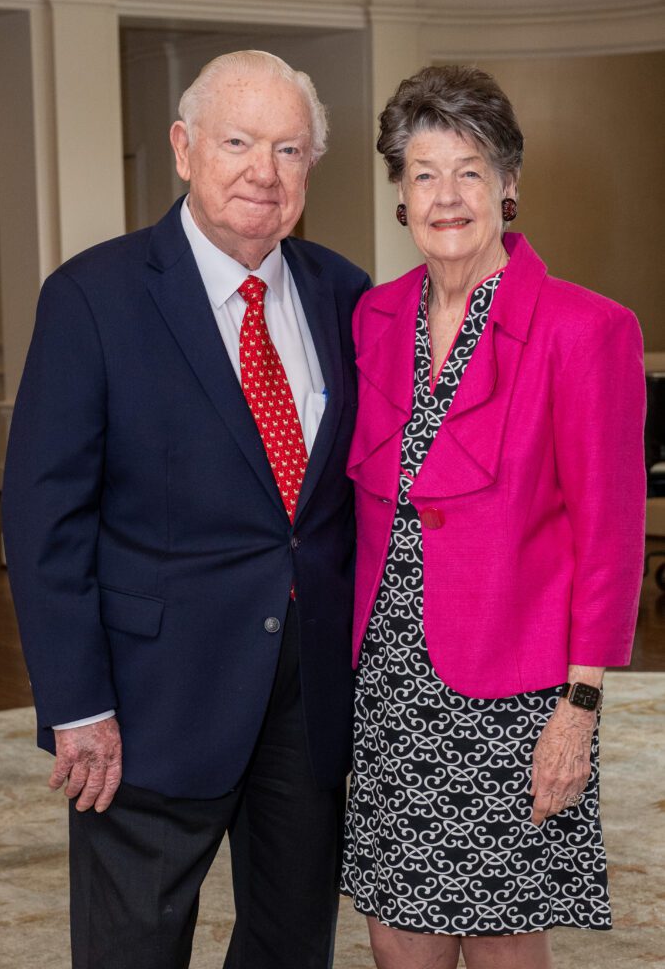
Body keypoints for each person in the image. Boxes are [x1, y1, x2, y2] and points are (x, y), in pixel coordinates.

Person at [2, 49, 371, 969]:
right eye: (238, 141)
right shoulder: (93, 296)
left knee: (292, 944)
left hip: (308, 695)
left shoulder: (344, 295)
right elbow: (45, 522)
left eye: (289, 149)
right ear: (182, 148)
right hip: (149, 696)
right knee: (133, 946)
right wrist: (78, 702)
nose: (263, 171)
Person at [340, 64, 645, 969]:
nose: (446, 196)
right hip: (390, 681)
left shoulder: (584, 329)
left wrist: (578, 710)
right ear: (398, 190)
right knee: (396, 928)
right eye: (424, 172)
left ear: (508, 184)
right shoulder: (373, 317)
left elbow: (608, 537)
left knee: (503, 939)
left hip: (515, 693)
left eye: (469, 170)